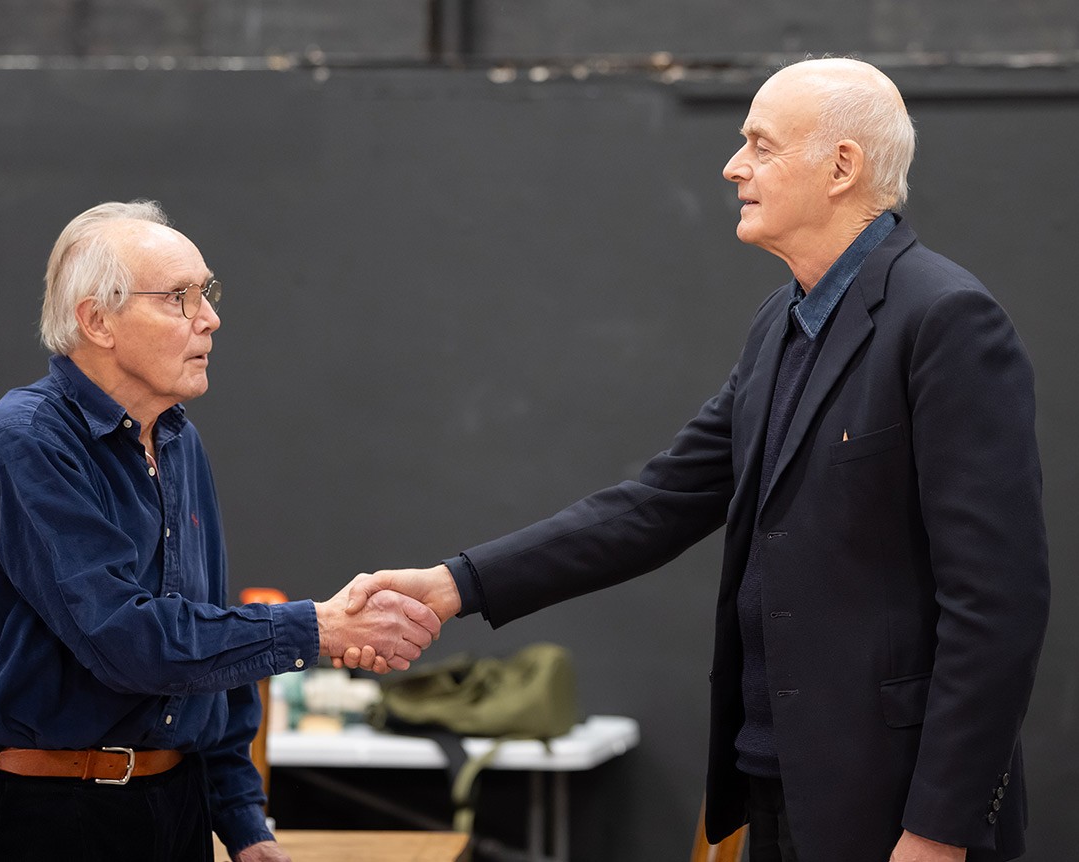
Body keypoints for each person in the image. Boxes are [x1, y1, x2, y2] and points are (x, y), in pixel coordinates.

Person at [342, 59, 1049, 862]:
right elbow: (657, 504)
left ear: (842, 167)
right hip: (777, 789)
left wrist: (938, 831)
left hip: (895, 812)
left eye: (760, 144)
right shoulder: (780, 324)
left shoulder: (947, 320)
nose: (733, 164)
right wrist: (452, 585)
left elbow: (999, 607)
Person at [0, 200, 441, 862]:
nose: (210, 318)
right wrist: (320, 628)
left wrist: (242, 821)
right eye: (179, 297)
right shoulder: (25, 440)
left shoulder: (176, 441)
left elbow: (200, 632)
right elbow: (126, 641)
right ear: (97, 320)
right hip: (42, 817)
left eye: (207, 292)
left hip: (172, 806)